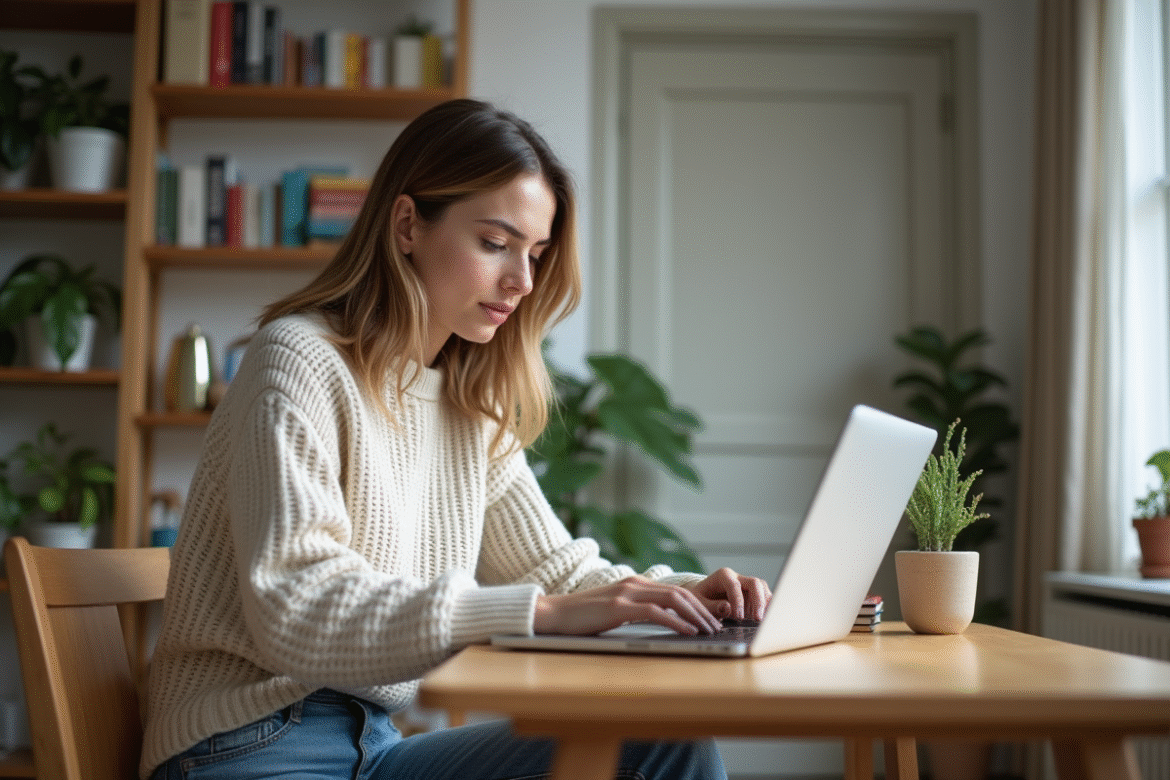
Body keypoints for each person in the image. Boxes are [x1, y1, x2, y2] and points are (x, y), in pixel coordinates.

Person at [141, 98, 771, 780]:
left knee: (664, 742)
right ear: (408, 224)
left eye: (535, 253)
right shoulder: (296, 360)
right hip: (247, 746)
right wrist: (542, 614)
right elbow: (297, 607)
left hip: (373, 746)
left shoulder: (468, 403)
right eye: (496, 244)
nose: (522, 282)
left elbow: (559, 575)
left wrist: (691, 597)